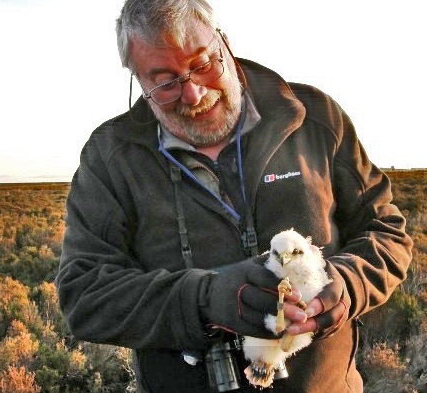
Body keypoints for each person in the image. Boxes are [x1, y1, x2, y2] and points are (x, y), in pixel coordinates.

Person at [55, 0, 413, 392]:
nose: (192, 93)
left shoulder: (314, 117)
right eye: (164, 81)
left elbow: (387, 233)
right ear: (137, 81)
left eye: (202, 63)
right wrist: (204, 300)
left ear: (224, 42)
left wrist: (345, 284)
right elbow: (84, 294)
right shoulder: (111, 156)